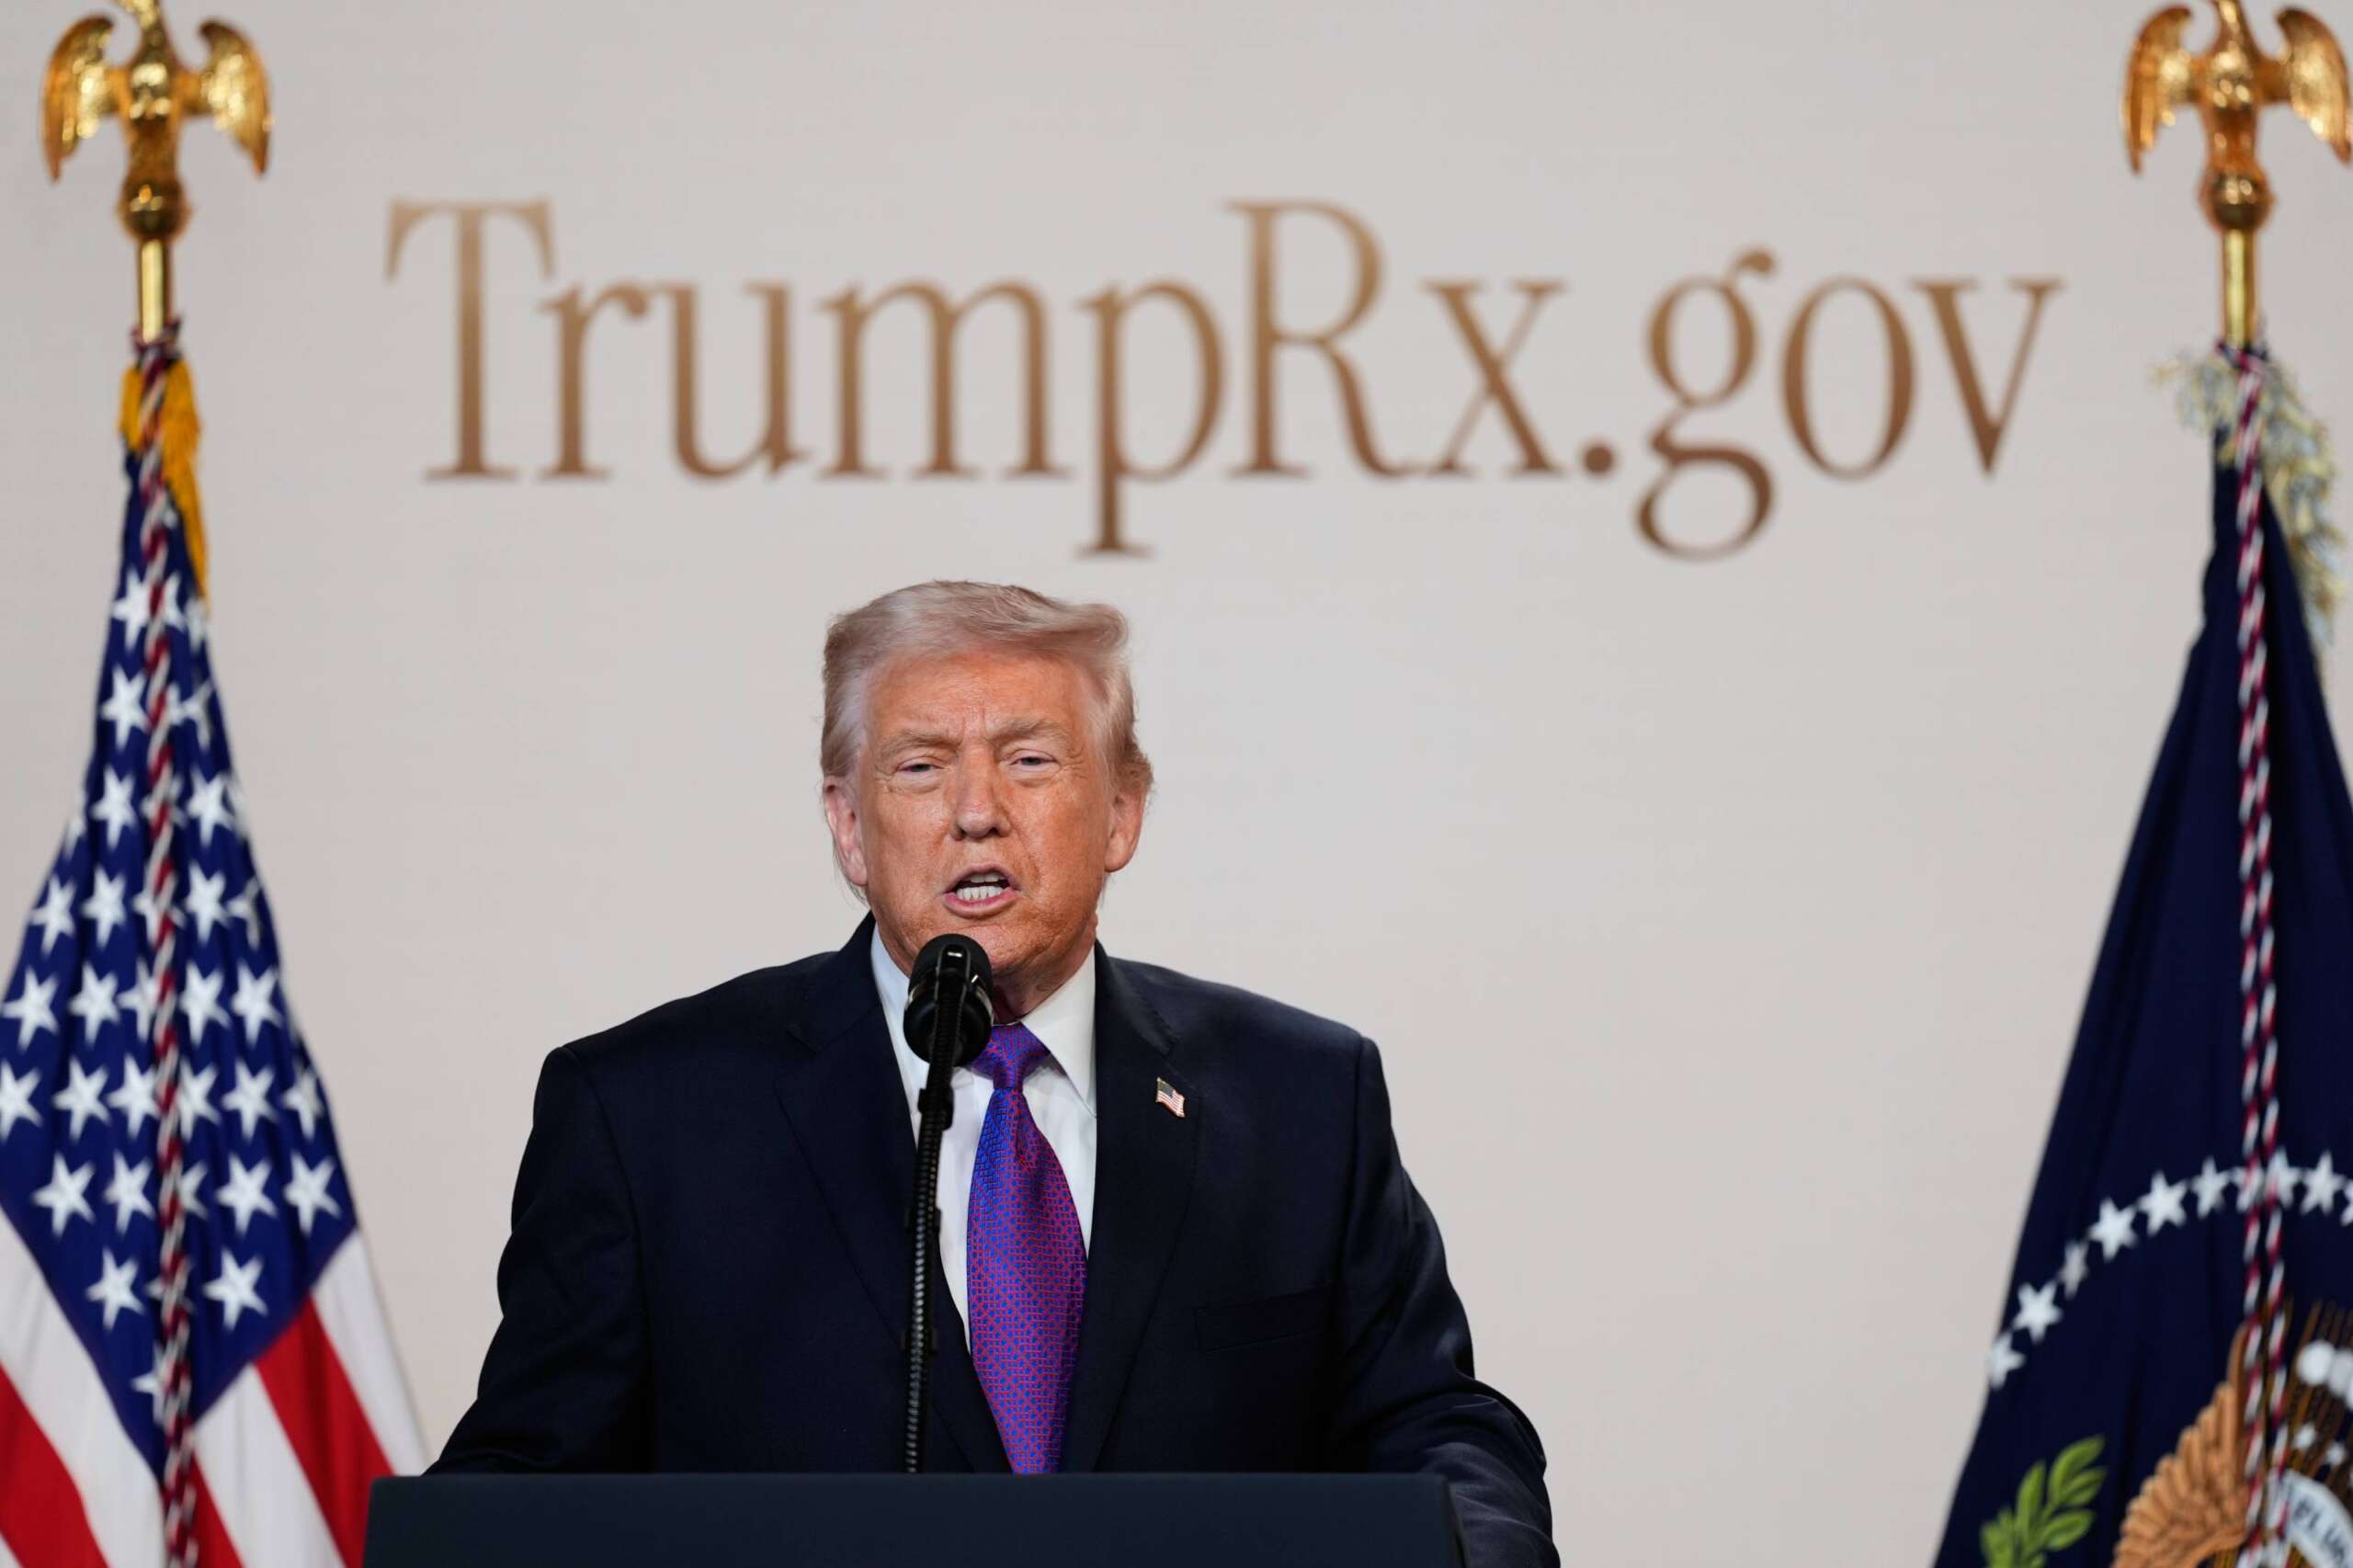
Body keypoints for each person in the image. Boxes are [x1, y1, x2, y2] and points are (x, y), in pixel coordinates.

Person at [433, 581, 1557, 1567]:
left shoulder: (1301, 1094)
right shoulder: (646, 1114)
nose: (976, 812)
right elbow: (525, 1481)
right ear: (849, 827)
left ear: (1120, 812)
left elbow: (1433, 1423)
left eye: (1029, 760)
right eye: (920, 767)